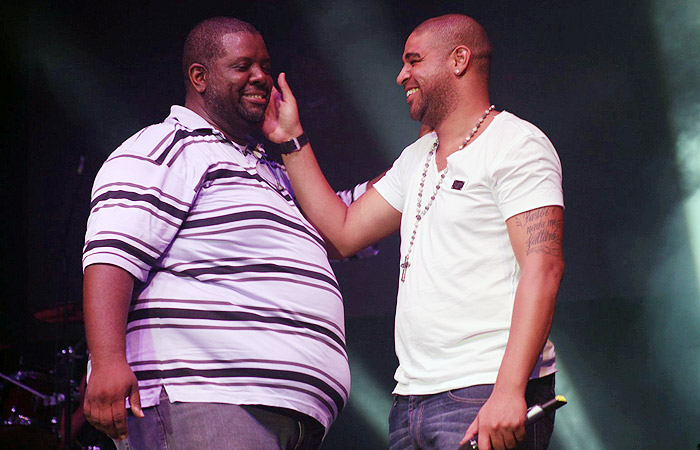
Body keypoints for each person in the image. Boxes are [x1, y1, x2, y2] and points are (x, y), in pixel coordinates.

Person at [263, 13, 565, 450]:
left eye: (414, 60)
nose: (401, 74)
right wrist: (291, 137)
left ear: (459, 60)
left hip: (485, 389)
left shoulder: (516, 144)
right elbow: (345, 230)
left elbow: (544, 269)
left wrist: (508, 390)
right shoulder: (417, 156)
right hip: (411, 401)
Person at [81, 17, 351, 449]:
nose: (261, 76)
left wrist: (428, 154)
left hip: (286, 414)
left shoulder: (273, 172)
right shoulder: (168, 147)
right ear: (199, 77)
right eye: (243, 65)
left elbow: (345, 220)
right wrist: (107, 361)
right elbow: (112, 255)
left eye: (264, 64)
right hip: (205, 399)